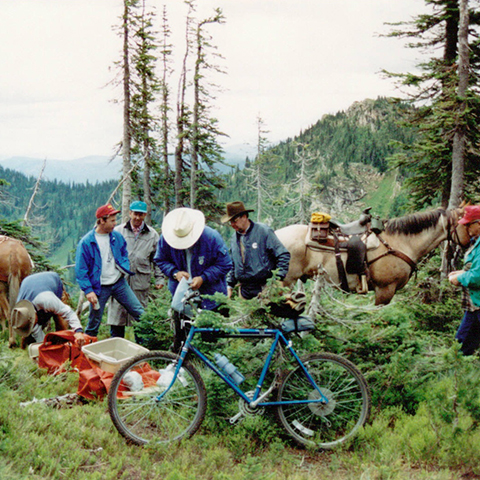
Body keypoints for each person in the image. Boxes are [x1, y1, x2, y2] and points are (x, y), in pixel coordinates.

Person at [75, 203, 144, 338]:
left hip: (119, 283)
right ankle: (87, 352)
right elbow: (81, 270)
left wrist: (124, 267)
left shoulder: (116, 236)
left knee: (139, 312)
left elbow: (124, 253)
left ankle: (149, 346)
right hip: (99, 287)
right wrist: (88, 291)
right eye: (112, 220)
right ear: (102, 221)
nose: (115, 223)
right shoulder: (87, 242)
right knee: (94, 322)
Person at [107, 200, 165, 338]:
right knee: (117, 322)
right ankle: (115, 355)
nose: (138, 218)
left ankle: (143, 356)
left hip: (140, 283)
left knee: (141, 322)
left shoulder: (152, 235)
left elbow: (157, 259)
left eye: (141, 214)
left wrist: (159, 278)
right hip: (119, 282)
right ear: (130, 213)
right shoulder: (117, 231)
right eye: (135, 214)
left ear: (145, 215)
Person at [221, 201, 291, 300]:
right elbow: (234, 264)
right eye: (230, 222)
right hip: (244, 291)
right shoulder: (234, 238)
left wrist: (277, 279)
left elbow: (283, 254)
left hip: (265, 288)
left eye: (235, 220)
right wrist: (229, 285)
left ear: (244, 217)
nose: (232, 224)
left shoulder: (263, 231)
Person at [11, 271, 86, 347]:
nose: (33, 325)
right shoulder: (21, 313)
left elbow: (69, 313)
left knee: (59, 320)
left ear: (33, 315)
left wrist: (78, 331)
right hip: (29, 285)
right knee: (31, 336)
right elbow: (39, 336)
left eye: (32, 323)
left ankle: (63, 343)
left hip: (51, 281)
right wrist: (44, 348)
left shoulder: (48, 300)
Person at [448, 205, 480, 355]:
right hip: (474, 304)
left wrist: (459, 278)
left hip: (477, 304)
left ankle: (458, 371)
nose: (466, 228)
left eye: (468, 224)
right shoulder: (477, 242)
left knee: (461, 344)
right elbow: (475, 268)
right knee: (464, 343)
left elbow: (478, 277)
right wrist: (463, 271)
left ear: (478, 223)